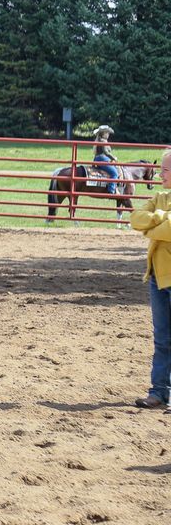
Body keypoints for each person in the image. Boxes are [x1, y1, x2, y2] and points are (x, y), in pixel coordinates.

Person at [130, 148, 171, 413]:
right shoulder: (160, 197)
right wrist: (160, 217)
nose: (159, 174)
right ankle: (159, 392)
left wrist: (152, 225)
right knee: (162, 338)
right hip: (158, 276)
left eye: (165, 170)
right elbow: (136, 218)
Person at [93, 124, 120, 196]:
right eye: (107, 132)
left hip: (98, 159)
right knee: (114, 173)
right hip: (102, 159)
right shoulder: (103, 141)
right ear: (103, 133)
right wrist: (113, 158)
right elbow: (106, 152)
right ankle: (111, 190)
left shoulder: (99, 141)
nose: (108, 134)